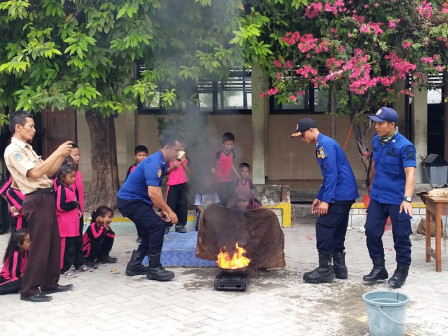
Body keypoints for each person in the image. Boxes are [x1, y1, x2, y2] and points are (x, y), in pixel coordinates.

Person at [4, 110, 74, 302]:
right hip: (36, 198)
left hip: (45, 196)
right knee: (40, 245)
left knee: (52, 243)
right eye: (31, 126)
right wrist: (57, 152)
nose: (34, 130)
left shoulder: (27, 148)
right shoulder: (14, 150)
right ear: (18, 127)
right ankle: (29, 290)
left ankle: (50, 283)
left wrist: (60, 156)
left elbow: (49, 172)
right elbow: (34, 173)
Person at [291, 118, 359, 284]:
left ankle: (325, 269)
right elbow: (328, 175)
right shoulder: (325, 143)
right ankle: (340, 269)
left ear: (312, 130)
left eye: (302, 135)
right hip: (345, 194)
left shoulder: (323, 145)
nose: (302, 138)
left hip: (339, 193)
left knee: (324, 226)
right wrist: (319, 197)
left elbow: (331, 174)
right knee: (337, 229)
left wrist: (326, 201)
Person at [116, 133, 183, 281]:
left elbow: (156, 190)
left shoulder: (162, 162)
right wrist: (169, 211)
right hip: (130, 201)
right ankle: (154, 268)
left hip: (135, 201)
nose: (178, 153)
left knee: (150, 230)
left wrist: (162, 209)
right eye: (176, 149)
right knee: (157, 226)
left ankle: (134, 265)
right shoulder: (156, 163)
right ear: (167, 147)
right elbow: (153, 193)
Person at [363, 107, 416, 288]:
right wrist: (371, 186)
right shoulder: (376, 141)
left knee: (401, 236)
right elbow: (376, 165)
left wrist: (407, 199)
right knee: (371, 231)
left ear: (392, 125)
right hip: (378, 196)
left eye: (380, 123)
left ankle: (401, 271)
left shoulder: (405, 146)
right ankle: (379, 268)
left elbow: (410, 173)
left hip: (397, 199)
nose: (376, 126)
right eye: (376, 123)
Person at [69, 145, 93, 273]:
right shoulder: (64, 175)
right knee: (70, 240)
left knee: (79, 238)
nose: (78, 157)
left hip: (79, 212)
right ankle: (67, 265)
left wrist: (81, 210)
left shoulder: (78, 173)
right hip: (70, 213)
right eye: (75, 155)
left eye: (79, 154)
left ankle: (79, 263)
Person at [55, 164, 81, 278]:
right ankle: (63, 269)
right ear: (63, 177)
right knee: (65, 248)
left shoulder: (69, 188)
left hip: (72, 224)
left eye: (74, 176)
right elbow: (60, 206)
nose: (73, 179)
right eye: (71, 177)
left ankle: (68, 266)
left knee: (71, 247)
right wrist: (73, 204)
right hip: (65, 225)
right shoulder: (61, 188)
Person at [165, 142, 190, 233]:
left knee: (182, 205)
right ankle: (167, 225)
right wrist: (173, 167)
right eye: (176, 150)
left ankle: (180, 225)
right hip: (172, 185)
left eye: (180, 150)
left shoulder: (185, 159)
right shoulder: (169, 160)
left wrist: (184, 164)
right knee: (170, 205)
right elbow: (165, 172)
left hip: (183, 184)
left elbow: (189, 172)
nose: (178, 152)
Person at [125, 145, 149, 243]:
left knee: (147, 217)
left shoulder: (150, 167)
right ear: (135, 156)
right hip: (135, 198)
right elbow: (127, 182)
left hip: (146, 196)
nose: (142, 157)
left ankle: (147, 235)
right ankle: (140, 235)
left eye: (144, 155)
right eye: (140, 155)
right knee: (138, 217)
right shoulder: (132, 168)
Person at [212, 132, 240, 206]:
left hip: (229, 179)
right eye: (228, 144)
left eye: (231, 144)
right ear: (223, 144)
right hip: (220, 180)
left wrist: (237, 174)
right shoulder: (218, 153)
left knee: (231, 197)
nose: (230, 146)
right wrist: (212, 171)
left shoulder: (232, 152)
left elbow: (231, 163)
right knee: (223, 199)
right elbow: (211, 163)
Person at [0, 229, 30, 295]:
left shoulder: (25, 251)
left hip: (17, 276)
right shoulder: (15, 254)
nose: (31, 243)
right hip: (7, 277)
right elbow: (13, 274)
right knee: (18, 284)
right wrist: (21, 276)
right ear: (19, 244)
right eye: (28, 242)